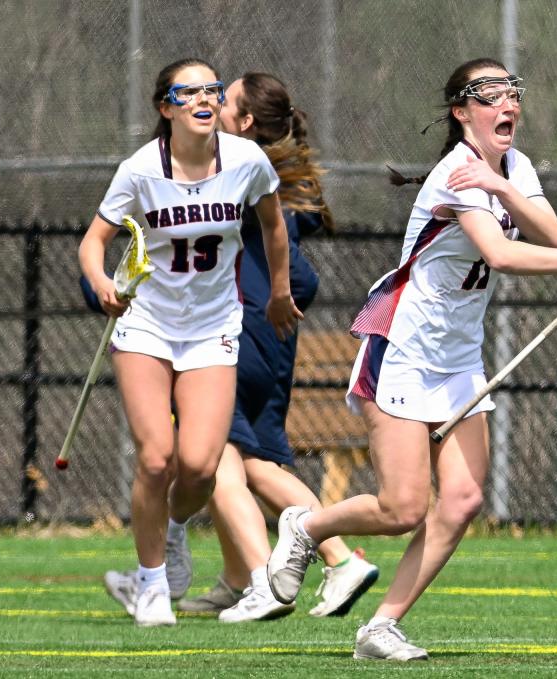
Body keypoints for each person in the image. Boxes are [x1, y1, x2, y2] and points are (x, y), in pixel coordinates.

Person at [265, 57, 557, 661]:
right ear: (462, 112)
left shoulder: (510, 168)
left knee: (462, 500)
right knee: (402, 507)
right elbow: (505, 254)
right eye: (490, 94)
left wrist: (506, 187)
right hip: (403, 348)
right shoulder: (454, 173)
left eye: (513, 91)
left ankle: (379, 629)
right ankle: (306, 527)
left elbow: (551, 234)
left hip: (459, 356)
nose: (507, 103)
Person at [81, 57, 303, 627]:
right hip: (147, 327)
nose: (205, 99)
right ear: (166, 107)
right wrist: (103, 282)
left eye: (212, 90)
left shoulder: (246, 160)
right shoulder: (140, 170)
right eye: (190, 92)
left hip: (212, 329)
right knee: (157, 458)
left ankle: (172, 532)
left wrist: (279, 292)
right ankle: (151, 584)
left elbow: (275, 225)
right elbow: (92, 242)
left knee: (200, 469)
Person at [175, 72, 378, 622]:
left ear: (243, 123)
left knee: (218, 456)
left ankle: (292, 572)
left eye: (224, 100)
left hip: (237, 337)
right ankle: (255, 575)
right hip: (266, 341)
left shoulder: (233, 171)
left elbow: (292, 271)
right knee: (254, 458)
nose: (210, 105)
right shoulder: (266, 179)